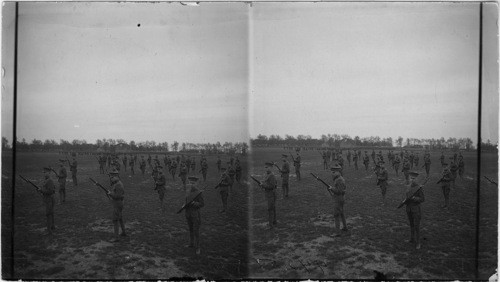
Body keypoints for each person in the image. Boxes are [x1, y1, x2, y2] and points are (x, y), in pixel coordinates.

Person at [404, 171, 425, 249]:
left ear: (416, 179)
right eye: (411, 178)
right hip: (409, 208)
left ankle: (418, 242)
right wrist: (405, 201)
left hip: (416, 209)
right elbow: (407, 196)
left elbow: (422, 199)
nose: (412, 180)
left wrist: (414, 198)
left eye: (413, 178)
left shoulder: (419, 188)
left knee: (417, 226)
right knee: (411, 224)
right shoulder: (408, 186)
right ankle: (412, 239)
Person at [184, 176, 204, 255]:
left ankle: (198, 247)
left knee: (196, 231)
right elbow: (186, 200)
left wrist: (194, 203)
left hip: (195, 214)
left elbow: (202, 204)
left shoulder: (199, 192)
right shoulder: (187, 191)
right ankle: (191, 244)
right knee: (190, 229)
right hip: (188, 213)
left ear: (196, 183)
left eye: (193, 183)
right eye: (190, 183)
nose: (191, 184)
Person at [107, 168, 126, 242]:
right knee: (120, 218)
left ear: (116, 176)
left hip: (118, 203)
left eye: (112, 177)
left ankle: (116, 238)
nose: (111, 179)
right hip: (119, 203)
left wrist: (110, 193)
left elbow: (117, 196)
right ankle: (124, 232)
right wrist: (110, 192)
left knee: (115, 220)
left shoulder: (118, 185)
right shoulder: (117, 183)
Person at [328, 165, 348, 237]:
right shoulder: (339, 178)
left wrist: (331, 188)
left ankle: (337, 232)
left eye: (334, 172)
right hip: (341, 198)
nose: (332, 173)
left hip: (338, 199)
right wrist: (332, 188)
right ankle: (345, 227)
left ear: (338, 172)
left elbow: (339, 191)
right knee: (342, 213)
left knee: (336, 215)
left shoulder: (339, 180)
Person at [260, 162, 277, 229]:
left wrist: (263, 185)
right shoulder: (267, 174)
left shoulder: (271, 175)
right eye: (266, 167)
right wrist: (262, 184)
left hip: (271, 194)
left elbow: (272, 186)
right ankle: (274, 221)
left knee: (270, 209)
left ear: (271, 167)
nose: (266, 169)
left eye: (268, 167)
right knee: (273, 208)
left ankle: (271, 225)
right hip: (268, 193)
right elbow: (265, 182)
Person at [42, 167, 56, 234]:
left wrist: (41, 191)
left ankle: (49, 230)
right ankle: (52, 226)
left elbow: (50, 191)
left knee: (48, 214)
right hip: (49, 198)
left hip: (49, 199)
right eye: (43, 172)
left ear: (49, 172)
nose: (44, 173)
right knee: (51, 213)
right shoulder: (48, 179)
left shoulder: (49, 180)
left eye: (45, 172)